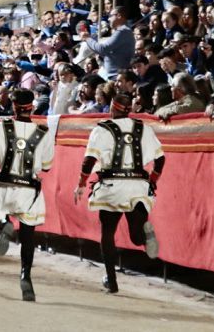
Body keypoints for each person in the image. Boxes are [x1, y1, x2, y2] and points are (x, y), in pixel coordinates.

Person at [74, 94, 165, 294]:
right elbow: (160, 159)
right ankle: (145, 234)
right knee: (136, 237)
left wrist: (81, 182)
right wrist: (153, 181)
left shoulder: (102, 129)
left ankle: (111, 279)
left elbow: (89, 159)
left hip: (112, 186)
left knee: (108, 233)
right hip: (138, 186)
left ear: (112, 109)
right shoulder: (144, 128)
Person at [0, 89, 55, 302]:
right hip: (29, 191)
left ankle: (3, 224)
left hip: (4, 185)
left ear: (13, 106)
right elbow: (46, 167)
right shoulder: (44, 133)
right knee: (28, 236)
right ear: (32, 107)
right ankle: (25, 276)